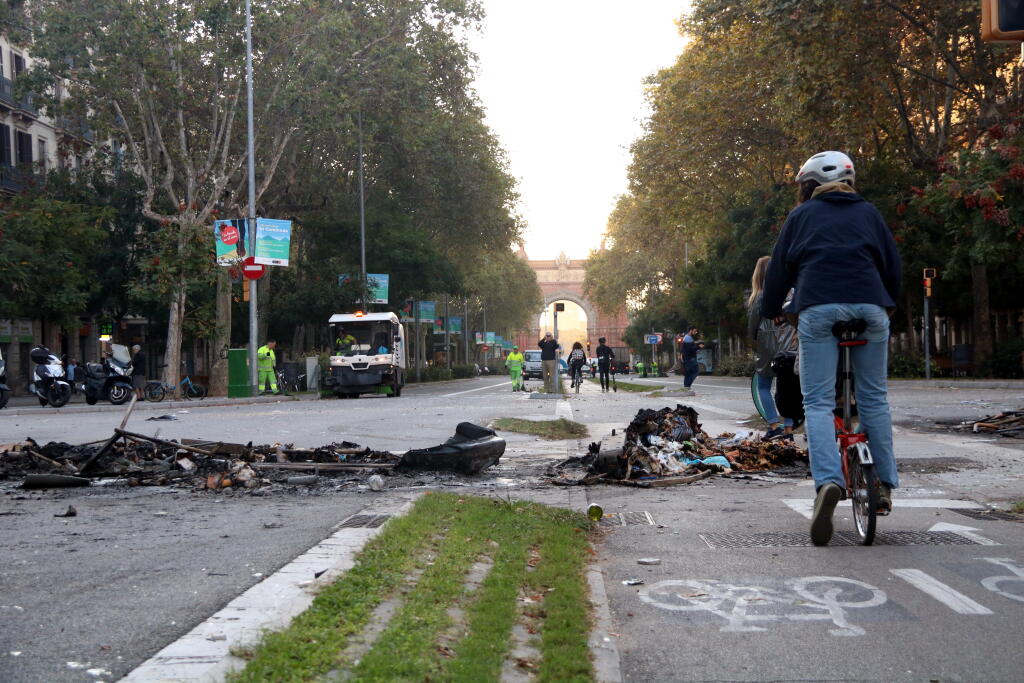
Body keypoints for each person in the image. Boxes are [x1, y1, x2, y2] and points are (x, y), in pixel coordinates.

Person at [762, 150, 901, 546]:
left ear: (810, 185)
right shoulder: (870, 213)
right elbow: (893, 266)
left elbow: (779, 271)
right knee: (874, 398)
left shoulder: (801, 216)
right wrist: (887, 305)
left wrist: (772, 309)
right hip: (870, 307)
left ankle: (828, 482)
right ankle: (883, 484)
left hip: (818, 308)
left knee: (818, 402)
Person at [747, 256, 800, 440]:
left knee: (763, 385)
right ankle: (789, 428)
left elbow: (753, 323)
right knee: (789, 387)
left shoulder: (759, 296)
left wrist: (753, 339)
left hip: (767, 344)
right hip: (790, 342)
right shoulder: (791, 291)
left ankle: (774, 425)